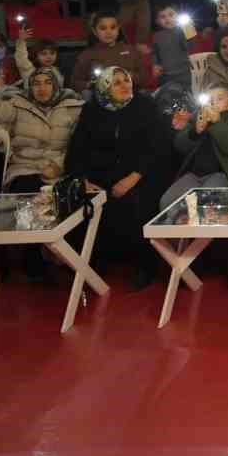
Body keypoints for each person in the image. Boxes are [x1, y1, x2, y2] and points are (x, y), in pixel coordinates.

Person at [65, 66, 169, 290]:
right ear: (104, 88)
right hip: (101, 173)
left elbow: (157, 147)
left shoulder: (145, 105)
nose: (125, 85)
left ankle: (146, 266)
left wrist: (133, 177)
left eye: (127, 80)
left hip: (142, 172)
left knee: (139, 201)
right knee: (86, 201)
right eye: (117, 82)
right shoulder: (92, 110)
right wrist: (82, 178)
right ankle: (92, 265)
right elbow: (78, 148)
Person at [163, 83, 228, 210]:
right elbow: (179, 145)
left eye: (220, 98)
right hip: (194, 175)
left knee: (206, 205)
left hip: (223, 174)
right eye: (210, 100)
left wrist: (217, 122)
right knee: (167, 203)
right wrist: (195, 132)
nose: (214, 103)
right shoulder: (199, 116)